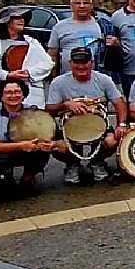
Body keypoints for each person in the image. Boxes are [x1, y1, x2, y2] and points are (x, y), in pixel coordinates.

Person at [45, 46, 125, 183]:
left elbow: (119, 103)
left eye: (85, 62)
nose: (81, 66)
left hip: (99, 127)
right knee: (56, 146)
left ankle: (97, 162)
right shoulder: (58, 82)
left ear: (91, 63)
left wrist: (121, 124)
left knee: (113, 140)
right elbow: (49, 109)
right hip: (69, 129)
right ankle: (72, 164)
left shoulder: (104, 79)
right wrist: (66, 105)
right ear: (70, 63)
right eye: (77, 62)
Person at [0, 81, 54, 195]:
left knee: (41, 151)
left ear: (23, 95)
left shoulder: (33, 112)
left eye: (17, 92)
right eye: (8, 92)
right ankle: (2, 176)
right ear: (1, 96)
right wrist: (21, 145)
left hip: (24, 151)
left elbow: (44, 135)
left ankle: (27, 180)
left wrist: (48, 144)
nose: (13, 96)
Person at [0, 11, 52, 107]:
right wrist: (8, 75)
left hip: (30, 92)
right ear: (7, 22)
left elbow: (48, 63)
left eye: (22, 18)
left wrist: (28, 73)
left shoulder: (32, 42)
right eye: (17, 18)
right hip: (2, 92)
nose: (22, 20)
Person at [48, 0, 108, 75]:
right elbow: (52, 56)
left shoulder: (103, 26)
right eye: (77, 3)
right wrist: (53, 77)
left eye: (85, 3)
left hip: (96, 80)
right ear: (71, 6)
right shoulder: (60, 27)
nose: (82, 6)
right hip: (67, 80)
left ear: (91, 6)